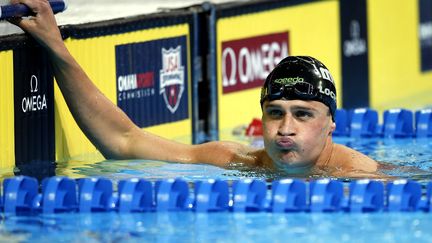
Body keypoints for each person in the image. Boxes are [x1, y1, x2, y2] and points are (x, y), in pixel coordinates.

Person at [9, 0, 379, 177]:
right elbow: (124, 140)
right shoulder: (238, 161)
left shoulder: (361, 178)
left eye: (303, 114)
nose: (285, 128)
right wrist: (56, 47)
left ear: (332, 123)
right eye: (275, 113)